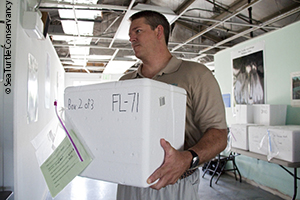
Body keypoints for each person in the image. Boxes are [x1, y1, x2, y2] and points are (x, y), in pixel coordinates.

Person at [117, 10, 227, 200]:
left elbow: (219, 135)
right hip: (129, 181)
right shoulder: (125, 81)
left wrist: (187, 158)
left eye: (137, 31)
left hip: (174, 183)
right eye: (130, 35)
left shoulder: (197, 75)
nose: (131, 39)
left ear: (159, 32)